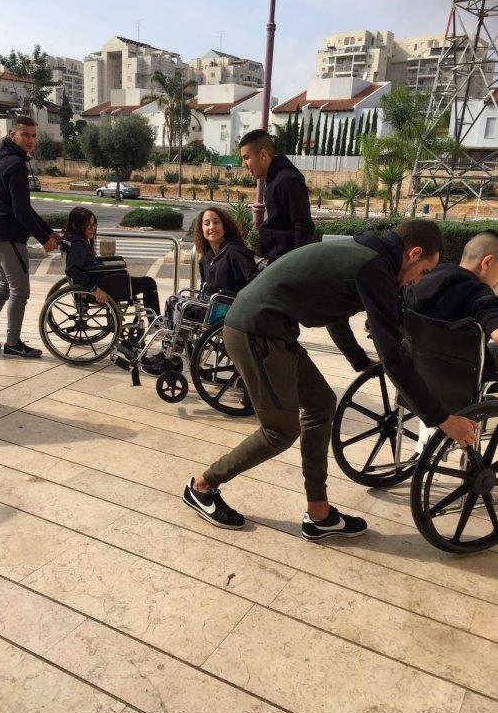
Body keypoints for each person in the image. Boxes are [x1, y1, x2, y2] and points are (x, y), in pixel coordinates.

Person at [182, 220, 478, 538]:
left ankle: (319, 515)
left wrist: (359, 360)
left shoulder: (368, 254)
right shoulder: (375, 267)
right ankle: (202, 486)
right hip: (254, 330)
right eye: (423, 270)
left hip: (271, 330)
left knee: (322, 403)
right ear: (414, 253)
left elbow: (336, 315)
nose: (417, 280)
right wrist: (442, 419)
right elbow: (394, 357)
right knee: (279, 431)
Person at [404, 229, 498, 451]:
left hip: (418, 370)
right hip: (464, 378)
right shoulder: (479, 293)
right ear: (488, 262)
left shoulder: (425, 276)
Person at [0, 115, 59, 358]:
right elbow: (20, 211)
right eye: (25, 134)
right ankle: (13, 344)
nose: (31, 140)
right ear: (14, 135)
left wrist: (47, 231)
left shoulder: (3, 160)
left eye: (33, 135)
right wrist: (44, 240)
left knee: (5, 285)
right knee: (19, 291)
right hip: (7, 236)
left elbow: (25, 207)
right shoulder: (15, 165)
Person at [142, 206, 258, 375]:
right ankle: (170, 354)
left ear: (225, 225)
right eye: (206, 223)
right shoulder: (207, 256)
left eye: (216, 222)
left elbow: (254, 279)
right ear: (201, 229)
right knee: (173, 301)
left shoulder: (235, 251)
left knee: (180, 306)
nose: (212, 227)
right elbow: (205, 286)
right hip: (211, 306)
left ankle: (171, 359)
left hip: (226, 309)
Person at [62, 206, 161, 314]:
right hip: (100, 286)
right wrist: (95, 290)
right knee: (149, 283)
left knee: (129, 275)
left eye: (94, 224)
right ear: (75, 226)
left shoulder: (74, 240)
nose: (92, 228)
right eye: (87, 225)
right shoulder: (78, 244)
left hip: (101, 281)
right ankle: (155, 325)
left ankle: (154, 323)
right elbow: (72, 269)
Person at [239, 128, 313, 263]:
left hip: (286, 267)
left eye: (246, 158)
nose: (243, 165)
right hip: (278, 263)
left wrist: (294, 266)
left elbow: (303, 225)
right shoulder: (275, 179)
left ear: (263, 155)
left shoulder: (286, 180)